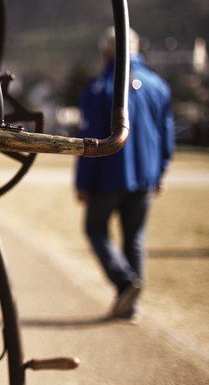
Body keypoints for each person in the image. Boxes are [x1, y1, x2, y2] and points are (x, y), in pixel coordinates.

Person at [75, 28, 174, 321]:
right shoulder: (158, 86)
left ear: (106, 52)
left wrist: (82, 182)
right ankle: (130, 305)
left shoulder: (99, 88)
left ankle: (124, 282)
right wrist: (161, 171)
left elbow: (89, 139)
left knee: (95, 229)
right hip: (145, 175)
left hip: (107, 174)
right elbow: (166, 134)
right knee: (135, 237)